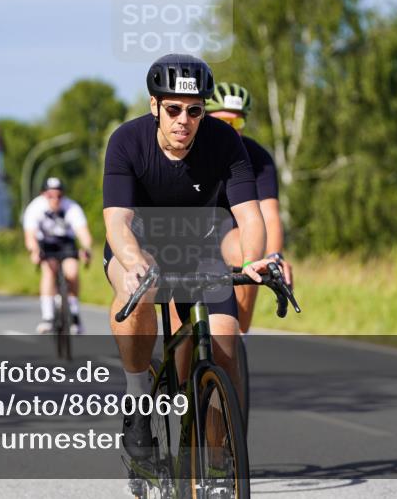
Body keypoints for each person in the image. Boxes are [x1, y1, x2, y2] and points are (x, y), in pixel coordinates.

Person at [103, 53, 283, 459]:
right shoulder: (126, 142)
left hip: (199, 251)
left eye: (194, 110)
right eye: (173, 109)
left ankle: (219, 465)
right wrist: (132, 263)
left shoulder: (224, 142)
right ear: (155, 107)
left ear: (204, 111)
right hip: (139, 245)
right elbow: (117, 222)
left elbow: (250, 215)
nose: (183, 119)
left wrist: (253, 260)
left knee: (223, 341)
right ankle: (137, 400)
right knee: (137, 297)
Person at [204, 81, 294, 333]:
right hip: (189, 230)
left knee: (250, 254)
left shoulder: (258, 158)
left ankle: (238, 339)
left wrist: (274, 257)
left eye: (237, 124)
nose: (230, 131)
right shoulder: (190, 149)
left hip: (231, 234)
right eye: (222, 122)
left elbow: (270, 216)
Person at [22, 177, 93, 334]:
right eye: (50, 196)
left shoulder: (71, 207)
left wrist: (86, 248)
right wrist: (34, 251)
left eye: (59, 196)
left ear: (63, 195)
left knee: (72, 272)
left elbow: (83, 232)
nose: (55, 199)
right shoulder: (35, 207)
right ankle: (47, 317)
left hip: (66, 242)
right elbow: (30, 235)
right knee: (49, 270)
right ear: (43, 194)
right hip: (45, 243)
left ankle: (74, 314)